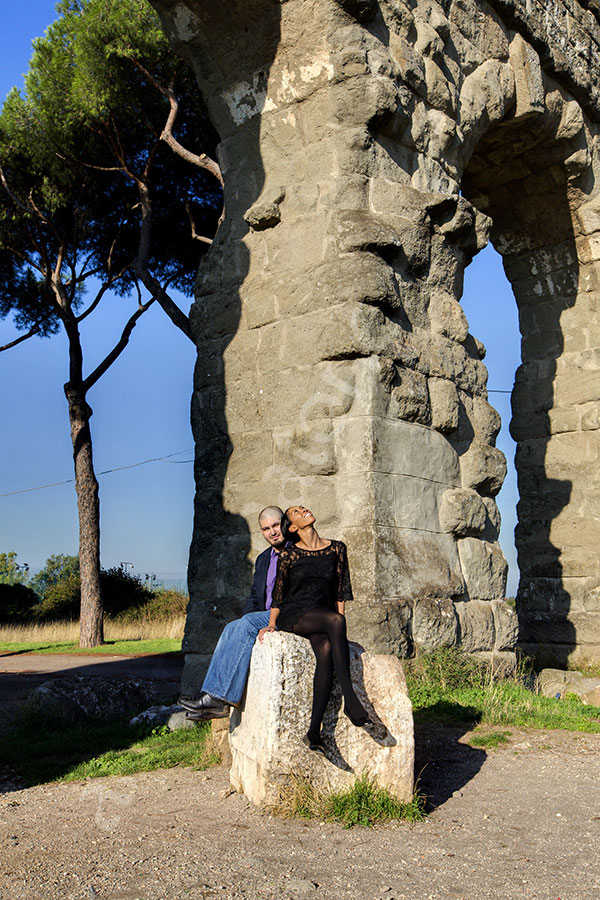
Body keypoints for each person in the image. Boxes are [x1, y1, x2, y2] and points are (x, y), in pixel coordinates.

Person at [258, 505, 377, 754]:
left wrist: (339, 635)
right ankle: (351, 700)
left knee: (325, 651)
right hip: (297, 615)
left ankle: (314, 733)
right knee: (334, 621)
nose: (305, 511)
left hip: (324, 615)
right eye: (298, 513)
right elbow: (279, 595)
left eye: (304, 509)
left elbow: (341, 592)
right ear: (292, 527)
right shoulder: (289, 556)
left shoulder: (337, 548)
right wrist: (271, 625)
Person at [179, 506, 285, 719]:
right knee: (233, 626)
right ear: (262, 532)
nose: (272, 532)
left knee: (245, 625)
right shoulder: (264, 558)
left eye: (276, 525)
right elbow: (255, 595)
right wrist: (247, 618)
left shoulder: (297, 552)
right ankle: (211, 696)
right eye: (266, 529)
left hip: (287, 613)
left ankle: (218, 699)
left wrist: (259, 622)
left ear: (285, 524)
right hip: (263, 615)